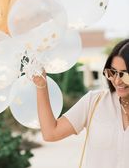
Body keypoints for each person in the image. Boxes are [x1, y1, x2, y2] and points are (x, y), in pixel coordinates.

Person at [33, 39, 129, 167]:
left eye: (124, 75)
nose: (117, 81)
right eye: (112, 72)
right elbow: (51, 133)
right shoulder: (94, 101)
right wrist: (41, 85)